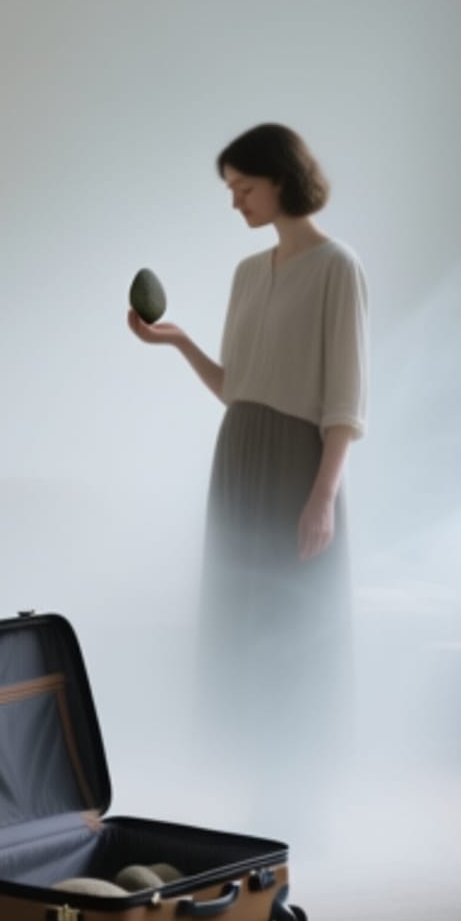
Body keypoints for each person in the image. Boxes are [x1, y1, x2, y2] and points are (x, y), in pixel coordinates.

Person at [127, 123, 368, 827]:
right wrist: (178, 341)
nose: (236, 202)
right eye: (231, 190)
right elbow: (237, 388)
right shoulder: (246, 273)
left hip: (298, 463)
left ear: (282, 179)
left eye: (245, 187)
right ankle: (262, 790)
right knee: (245, 624)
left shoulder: (337, 267)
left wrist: (322, 497)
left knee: (299, 627)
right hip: (238, 456)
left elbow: (345, 402)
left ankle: (303, 799)